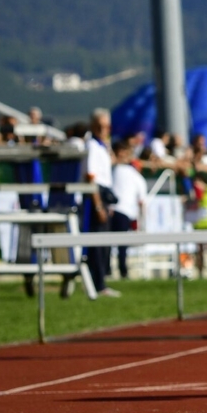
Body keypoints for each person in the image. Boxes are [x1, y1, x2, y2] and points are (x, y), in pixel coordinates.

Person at [84, 108, 119, 297]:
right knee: (97, 244)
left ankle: (101, 282)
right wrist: (98, 205)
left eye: (106, 126)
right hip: (97, 194)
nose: (103, 129)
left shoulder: (102, 146)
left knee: (104, 243)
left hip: (105, 194)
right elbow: (91, 177)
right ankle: (97, 284)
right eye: (100, 126)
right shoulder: (92, 146)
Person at [110, 137, 147, 280]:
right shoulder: (118, 169)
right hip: (120, 211)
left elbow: (141, 200)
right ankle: (120, 271)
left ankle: (119, 271)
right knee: (118, 245)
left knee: (116, 245)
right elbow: (142, 201)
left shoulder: (129, 173)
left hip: (119, 211)